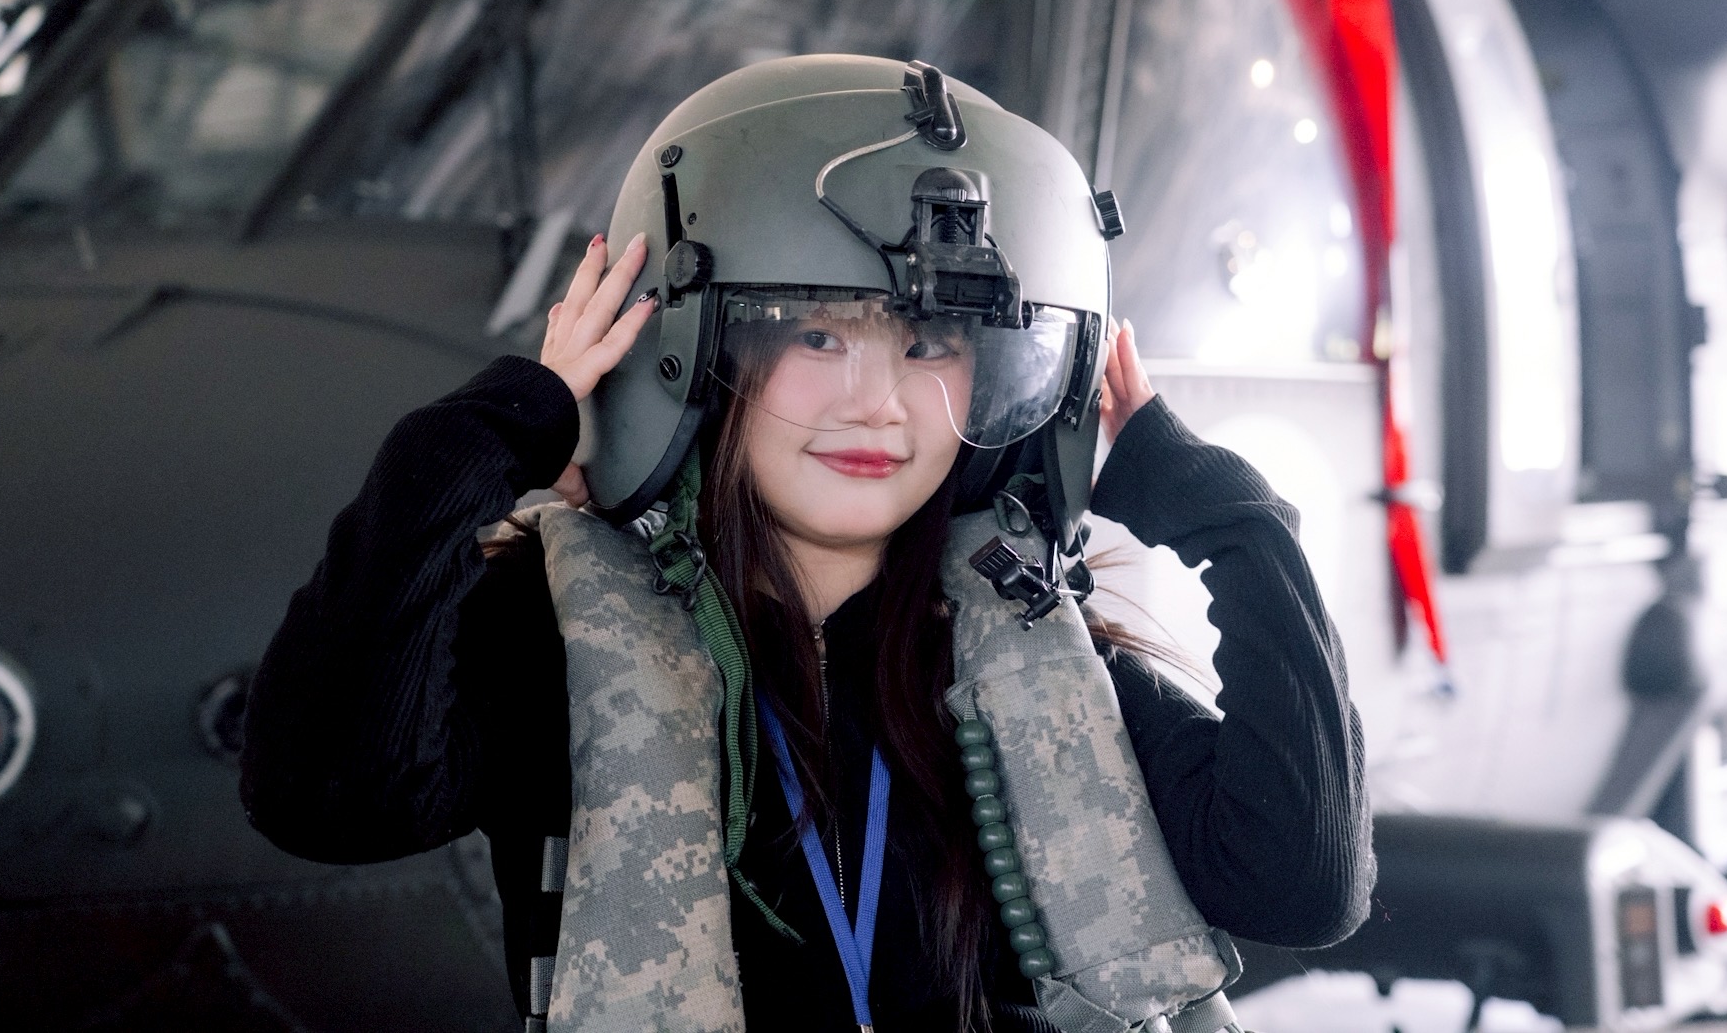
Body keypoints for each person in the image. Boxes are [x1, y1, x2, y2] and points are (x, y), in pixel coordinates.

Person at [241, 56, 1371, 1033]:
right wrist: (492, 432)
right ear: (694, 350)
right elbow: (325, 794)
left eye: (929, 342)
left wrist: (1237, 524)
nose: (877, 403)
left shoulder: (1036, 653)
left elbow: (1301, 886)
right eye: (817, 336)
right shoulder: (566, 647)